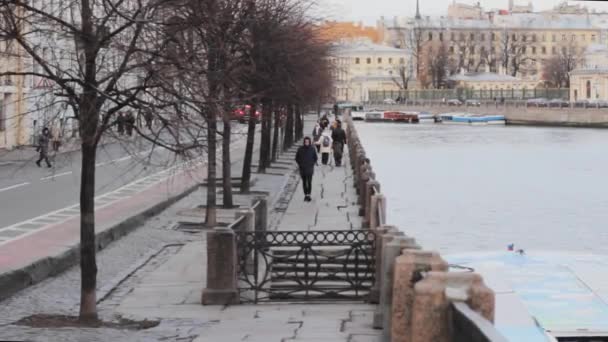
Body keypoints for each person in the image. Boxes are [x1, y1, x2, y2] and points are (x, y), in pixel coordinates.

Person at [295, 137, 318, 202]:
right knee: (304, 182)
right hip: (302, 169)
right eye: (305, 142)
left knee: (309, 182)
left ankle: (309, 195)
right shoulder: (300, 149)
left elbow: (315, 158)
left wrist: (312, 163)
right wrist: (300, 164)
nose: (307, 143)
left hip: (310, 168)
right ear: (304, 142)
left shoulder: (312, 149)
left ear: (309, 142)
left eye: (308, 142)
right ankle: (306, 195)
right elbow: (297, 158)